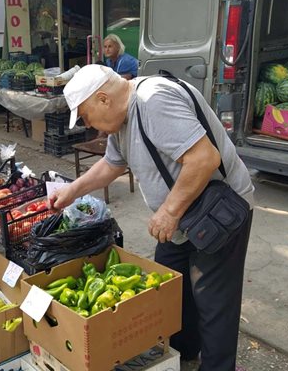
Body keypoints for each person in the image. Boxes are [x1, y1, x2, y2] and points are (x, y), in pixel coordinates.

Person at [50, 64, 255, 371]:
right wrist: (73, 191)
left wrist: (169, 211)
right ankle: (183, 355)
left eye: (86, 115)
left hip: (217, 216)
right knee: (172, 290)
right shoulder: (121, 120)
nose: (90, 125)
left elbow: (203, 158)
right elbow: (111, 164)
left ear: (103, 99)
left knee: (214, 305)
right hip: (183, 219)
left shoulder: (152, 101)